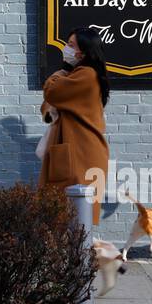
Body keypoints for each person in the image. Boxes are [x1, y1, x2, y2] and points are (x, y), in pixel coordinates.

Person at [39, 27, 111, 225]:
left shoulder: (86, 75)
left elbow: (52, 93)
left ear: (84, 52)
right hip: (73, 149)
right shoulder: (78, 74)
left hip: (81, 153)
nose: (66, 49)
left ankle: (79, 256)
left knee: (74, 214)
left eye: (71, 45)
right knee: (64, 212)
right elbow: (48, 105)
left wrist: (58, 74)